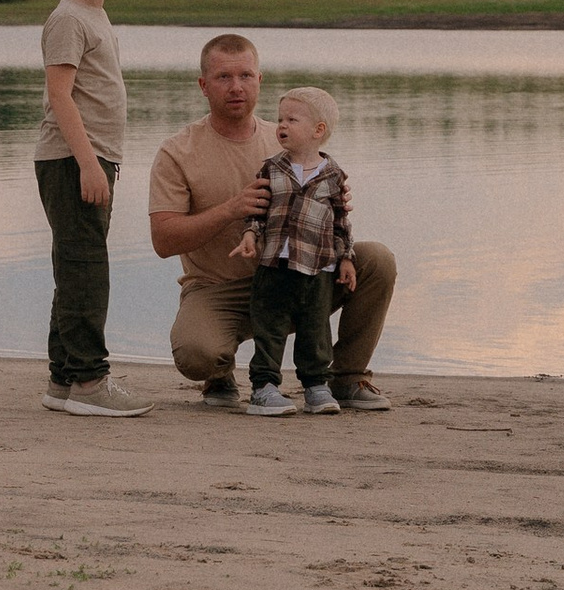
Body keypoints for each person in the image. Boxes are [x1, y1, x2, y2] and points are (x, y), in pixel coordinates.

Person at [146, 31, 399, 405]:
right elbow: (163, 241)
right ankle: (219, 375)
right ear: (203, 85)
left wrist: (331, 205)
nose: (237, 87)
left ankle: (346, 377)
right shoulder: (177, 151)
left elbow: (327, 195)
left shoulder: (288, 134)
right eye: (223, 78)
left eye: (246, 76)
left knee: (377, 260)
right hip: (219, 289)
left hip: (296, 275)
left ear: (259, 80)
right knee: (197, 354)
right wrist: (232, 210)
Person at [34, 0, 148, 415]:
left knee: (75, 266)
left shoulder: (94, 14)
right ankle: (89, 382)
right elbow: (61, 96)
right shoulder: (68, 19)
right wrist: (88, 164)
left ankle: (62, 381)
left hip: (91, 158)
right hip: (72, 159)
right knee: (86, 268)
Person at [242, 85, 354, 414]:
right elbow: (257, 212)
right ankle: (264, 387)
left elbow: (341, 222)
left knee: (315, 326)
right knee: (270, 325)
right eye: (279, 119)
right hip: (274, 264)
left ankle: (316, 386)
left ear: (319, 130)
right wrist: (250, 235)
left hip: (317, 267)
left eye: (292, 119)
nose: (282, 126)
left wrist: (347, 258)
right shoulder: (271, 169)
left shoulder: (333, 176)